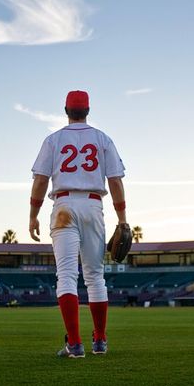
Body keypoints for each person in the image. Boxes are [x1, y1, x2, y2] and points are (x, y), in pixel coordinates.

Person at [29, 89, 127, 358]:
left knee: (68, 276)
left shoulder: (54, 139)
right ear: (88, 110)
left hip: (64, 206)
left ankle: (74, 343)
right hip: (94, 205)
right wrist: (123, 220)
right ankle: (100, 341)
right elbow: (116, 181)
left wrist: (33, 214)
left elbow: (40, 180)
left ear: (66, 110)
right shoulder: (102, 139)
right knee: (95, 276)